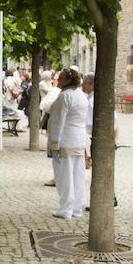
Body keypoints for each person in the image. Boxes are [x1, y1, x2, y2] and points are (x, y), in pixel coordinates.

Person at [48, 69, 88, 218]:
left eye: (60, 78)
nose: (57, 80)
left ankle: (66, 208)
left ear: (66, 80)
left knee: (64, 176)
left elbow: (58, 122)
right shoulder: (81, 95)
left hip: (65, 140)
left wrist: (54, 144)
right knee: (77, 176)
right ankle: (77, 207)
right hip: (78, 140)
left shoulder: (65, 96)